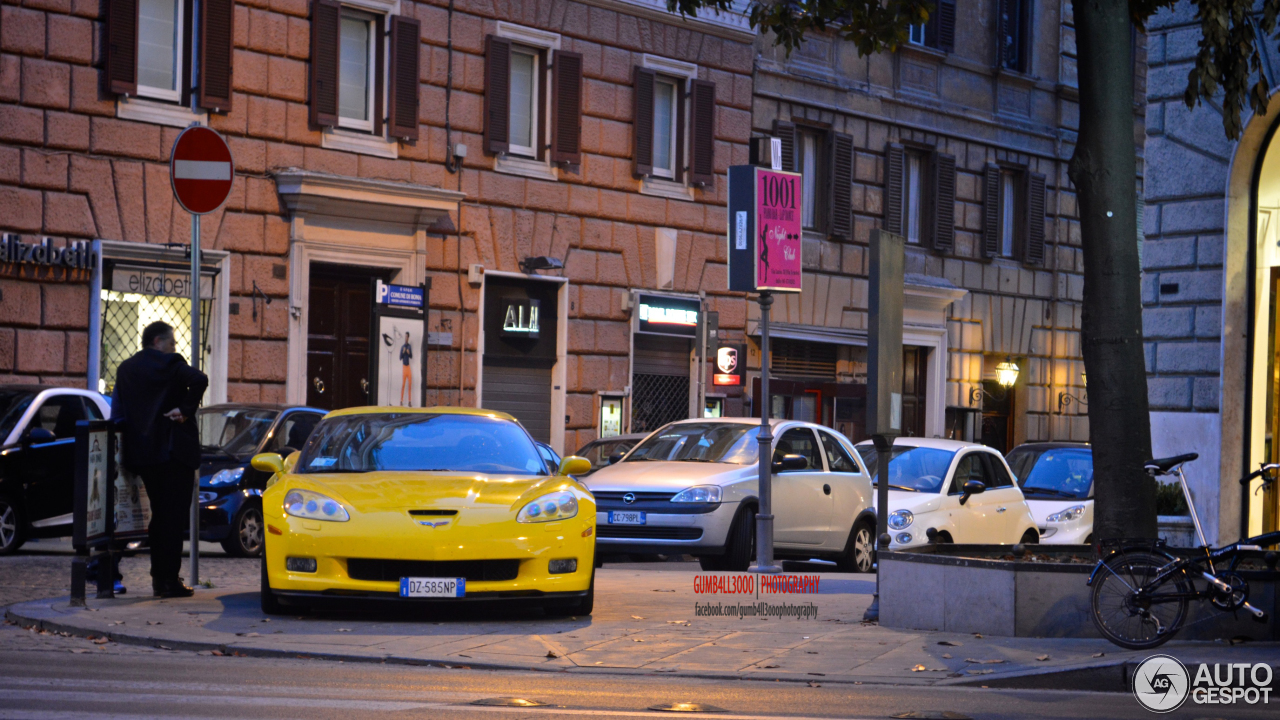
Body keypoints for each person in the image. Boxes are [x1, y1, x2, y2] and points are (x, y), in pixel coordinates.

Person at [111, 321, 208, 598]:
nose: (174, 348)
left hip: (143, 454)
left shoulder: (126, 369)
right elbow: (200, 379)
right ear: (157, 341)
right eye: (172, 343)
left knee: (159, 516)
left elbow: (118, 413)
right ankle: (168, 579)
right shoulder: (170, 363)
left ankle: (160, 578)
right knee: (173, 517)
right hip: (173, 452)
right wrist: (185, 410)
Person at [399, 331, 413, 406]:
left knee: (410, 384)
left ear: (408, 337)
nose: (406, 338)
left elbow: (411, 356)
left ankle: (409, 401)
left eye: (407, 337)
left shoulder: (409, 347)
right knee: (403, 384)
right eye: (405, 337)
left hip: (408, 367)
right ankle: (401, 401)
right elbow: (400, 357)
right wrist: (403, 352)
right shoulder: (402, 347)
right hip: (404, 367)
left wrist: (408, 352)